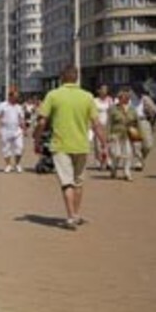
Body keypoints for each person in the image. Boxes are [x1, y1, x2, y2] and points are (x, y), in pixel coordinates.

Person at [34, 65, 108, 229]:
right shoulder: (87, 97)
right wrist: (104, 143)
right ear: (76, 78)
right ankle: (76, 214)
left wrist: (36, 138)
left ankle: (70, 216)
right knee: (78, 182)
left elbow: (41, 121)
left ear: (62, 78)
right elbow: (97, 124)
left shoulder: (53, 95)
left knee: (67, 183)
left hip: (60, 145)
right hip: (81, 145)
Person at [0, 86, 26, 173]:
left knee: (20, 147)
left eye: (17, 97)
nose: (17, 98)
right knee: (6, 148)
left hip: (17, 130)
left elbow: (21, 118)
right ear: (10, 97)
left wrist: (24, 128)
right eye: (15, 97)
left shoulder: (19, 107)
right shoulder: (2, 105)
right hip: (5, 129)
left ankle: (17, 164)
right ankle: (8, 165)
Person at [107, 88, 137, 181]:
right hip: (116, 134)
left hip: (128, 134)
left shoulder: (132, 109)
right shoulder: (113, 109)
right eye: (123, 97)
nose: (126, 99)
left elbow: (136, 122)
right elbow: (109, 123)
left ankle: (127, 172)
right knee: (116, 154)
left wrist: (137, 136)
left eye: (127, 97)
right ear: (119, 98)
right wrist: (108, 135)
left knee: (128, 154)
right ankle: (114, 169)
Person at [92, 85, 114, 169]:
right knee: (98, 145)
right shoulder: (95, 101)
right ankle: (99, 161)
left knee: (107, 144)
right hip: (97, 124)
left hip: (107, 124)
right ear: (99, 91)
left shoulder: (110, 100)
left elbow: (111, 112)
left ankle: (108, 161)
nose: (104, 91)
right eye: (102, 89)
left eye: (106, 90)